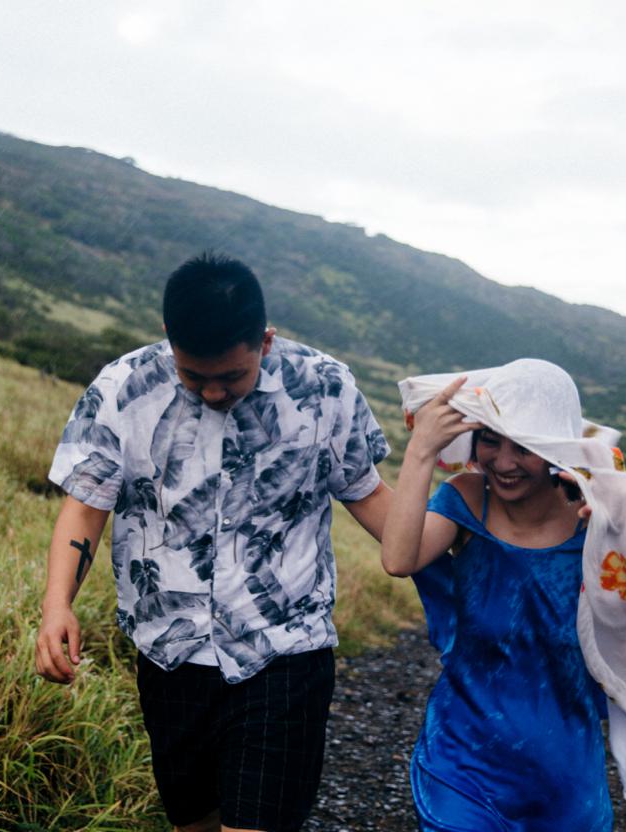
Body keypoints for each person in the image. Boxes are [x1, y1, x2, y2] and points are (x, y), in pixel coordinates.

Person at [40, 253, 395, 832]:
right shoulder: (122, 388)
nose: (211, 393)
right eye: (192, 376)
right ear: (168, 340)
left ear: (266, 340)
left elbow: (370, 495)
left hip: (286, 650)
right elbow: (85, 506)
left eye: (231, 377)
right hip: (170, 654)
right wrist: (58, 605)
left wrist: (464, 533)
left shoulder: (324, 387)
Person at [381, 359, 626, 829]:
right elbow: (399, 558)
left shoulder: (594, 519)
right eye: (490, 439)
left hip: (563, 788)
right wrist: (421, 452)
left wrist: (618, 532)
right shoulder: (467, 497)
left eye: (524, 446)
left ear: (555, 446)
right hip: (461, 767)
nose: (503, 463)